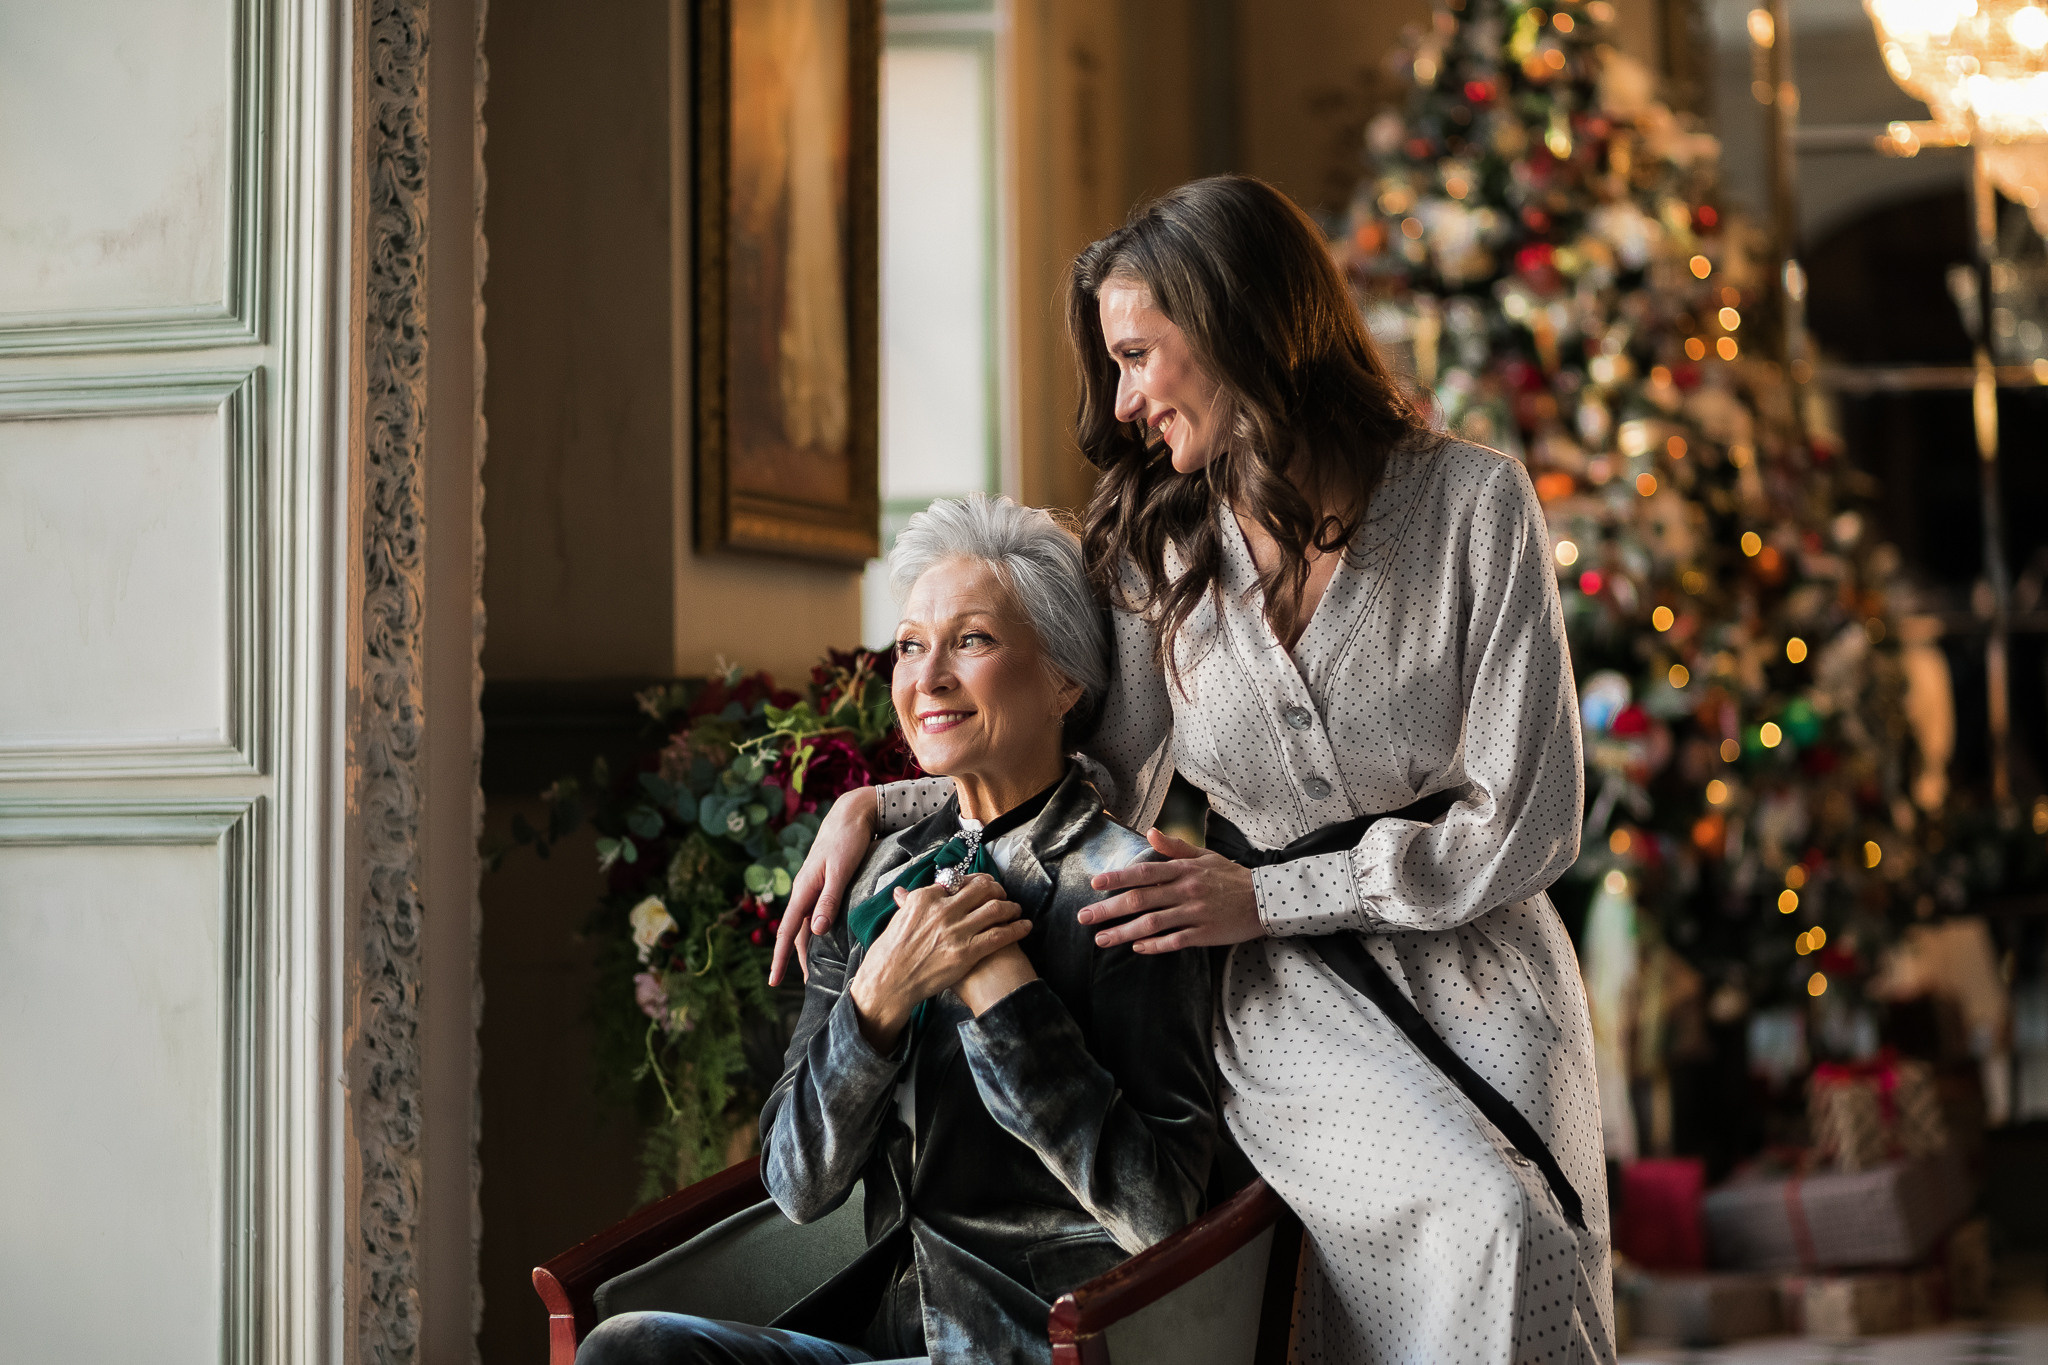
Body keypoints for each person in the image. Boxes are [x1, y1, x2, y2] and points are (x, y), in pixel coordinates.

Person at [775, 175, 1614, 1363]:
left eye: (1135, 357)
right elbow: (1095, 769)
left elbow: (1525, 823)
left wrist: (1267, 892)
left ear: (1232, 325)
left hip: (1484, 969)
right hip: (1278, 991)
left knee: (1526, 1236)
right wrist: (879, 799)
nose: (1119, 405)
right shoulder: (1156, 549)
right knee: (1451, 1226)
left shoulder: (1472, 503)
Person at [580, 495, 1218, 1365]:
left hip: (1036, 1348)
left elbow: (1165, 1214)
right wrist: (875, 1001)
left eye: (973, 640)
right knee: (629, 1348)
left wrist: (1006, 994)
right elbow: (796, 1185)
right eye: (912, 644)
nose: (928, 678)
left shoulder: (1128, 887)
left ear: (1066, 678)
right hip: (881, 1339)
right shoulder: (873, 877)